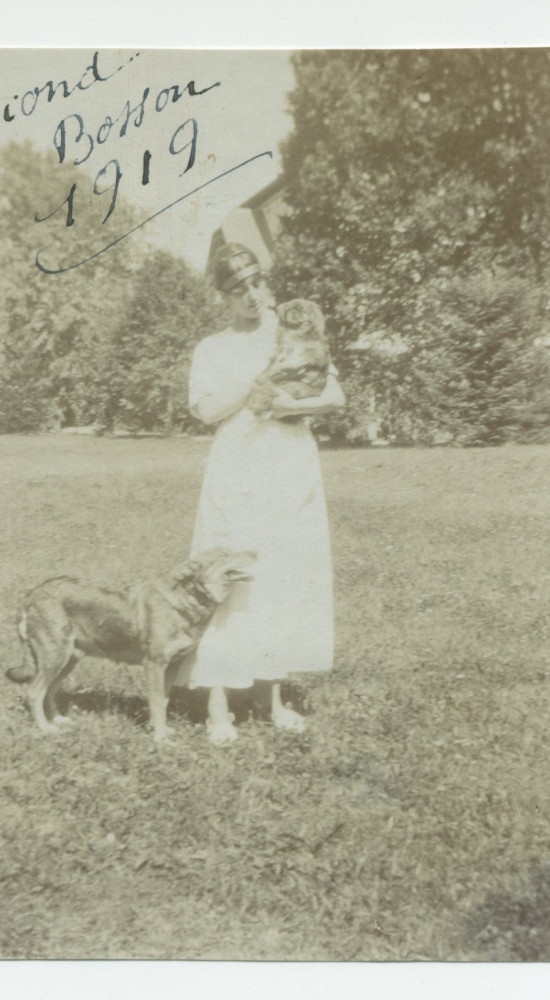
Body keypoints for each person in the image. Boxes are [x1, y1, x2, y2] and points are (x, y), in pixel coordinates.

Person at [179, 243, 345, 744]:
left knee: (282, 574)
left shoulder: (294, 329)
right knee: (230, 574)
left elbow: (335, 396)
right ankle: (218, 707)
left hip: (289, 459)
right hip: (239, 464)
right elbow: (205, 411)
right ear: (223, 297)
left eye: (257, 283)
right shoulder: (213, 348)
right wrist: (252, 390)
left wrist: (287, 407)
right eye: (239, 290)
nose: (253, 296)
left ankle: (269, 699)